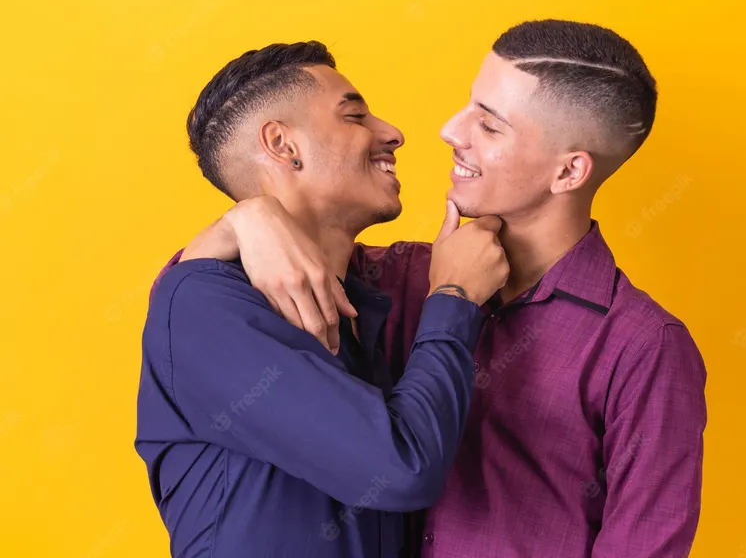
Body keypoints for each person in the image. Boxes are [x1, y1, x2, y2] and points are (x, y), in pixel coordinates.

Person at [171, 19, 708, 558]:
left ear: (569, 173)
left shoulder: (644, 346)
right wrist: (246, 220)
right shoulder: (397, 278)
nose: (450, 131)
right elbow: (197, 310)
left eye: (489, 126)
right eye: (467, 107)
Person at [135, 41, 510, 558]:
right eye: (355, 116)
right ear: (282, 145)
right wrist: (454, 296)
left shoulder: (369, 295)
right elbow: (402, 468)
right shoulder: (204, 303)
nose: (393, 133)